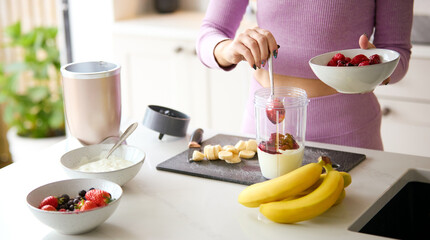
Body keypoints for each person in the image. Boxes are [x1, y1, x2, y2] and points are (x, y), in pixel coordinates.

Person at [196, 0, 413, 150]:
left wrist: (377, 68)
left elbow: (398, 51)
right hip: (264, 124)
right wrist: (228, 49)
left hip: (348, 131)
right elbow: (210, 32)